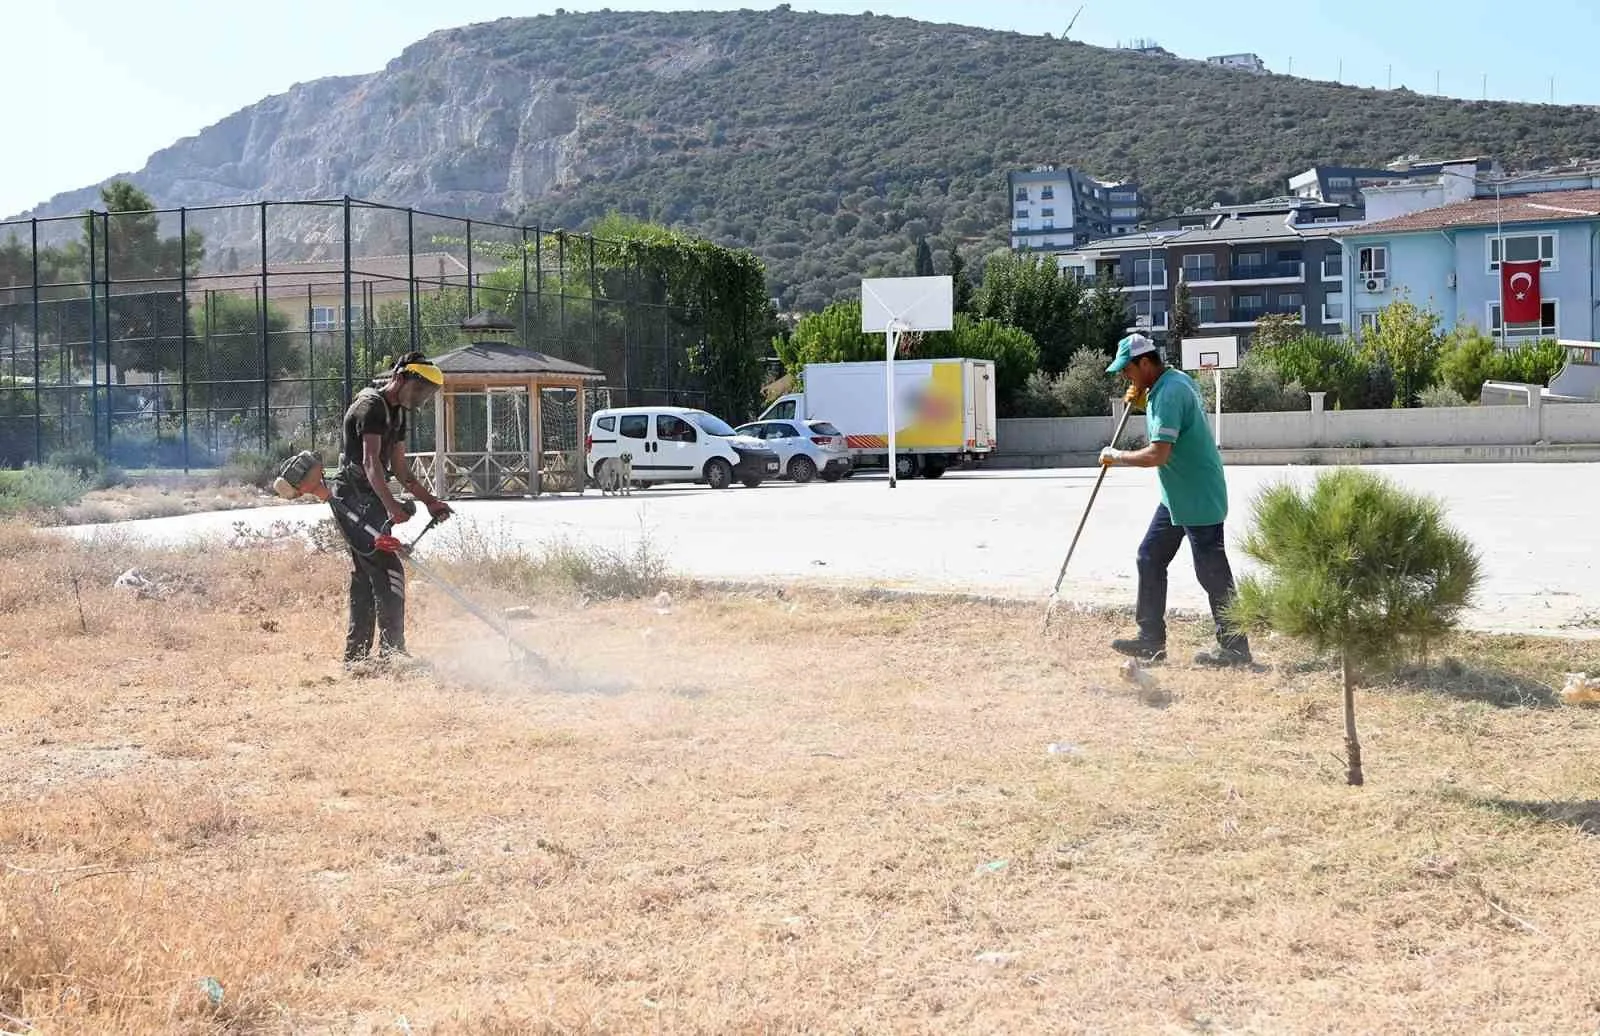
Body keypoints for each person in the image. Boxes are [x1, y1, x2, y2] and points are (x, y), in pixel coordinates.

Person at [1097, 333, 1252, 667]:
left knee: (1212, 573)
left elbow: (1158, 454)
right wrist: (1143, 400)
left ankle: (1236, 648)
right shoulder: (1168, 384)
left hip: (1197, 495)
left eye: (1128, 369)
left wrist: (1116, 456)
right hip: (1177, 496)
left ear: (1146, 362)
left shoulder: (1169, 393)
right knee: (1150, 557)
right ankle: (1150, 641)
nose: (1126, 376)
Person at [327, 351, 453, 666]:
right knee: (388, 570)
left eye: (427, 392)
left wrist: (431, 502)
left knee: (367, 575)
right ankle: (392, 654)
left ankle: (356, 659)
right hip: (352, 499)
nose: (421, 396)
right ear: (400, 377)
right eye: (419, 388)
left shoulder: (396, 413)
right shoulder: (370, 408)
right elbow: (371, 463)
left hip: (370, 499)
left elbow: (400, 470)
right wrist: (392, 506)